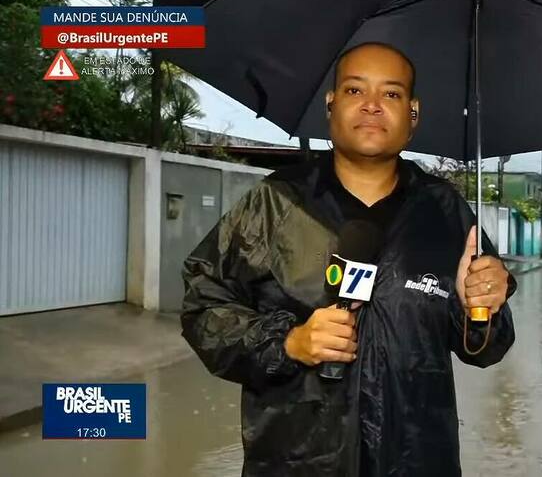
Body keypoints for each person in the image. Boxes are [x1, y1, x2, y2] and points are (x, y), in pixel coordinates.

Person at [180, 42, 516, 477]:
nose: (373, 106)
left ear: (412, 114)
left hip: (417, 461)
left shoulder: (446, 212)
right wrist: (287, 342)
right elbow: (202, 306)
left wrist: (481, 306)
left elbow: (487, 349)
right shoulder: (276, 204)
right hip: (296, 463)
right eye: (356, 91)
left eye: (391, 94)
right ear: (331, 104)